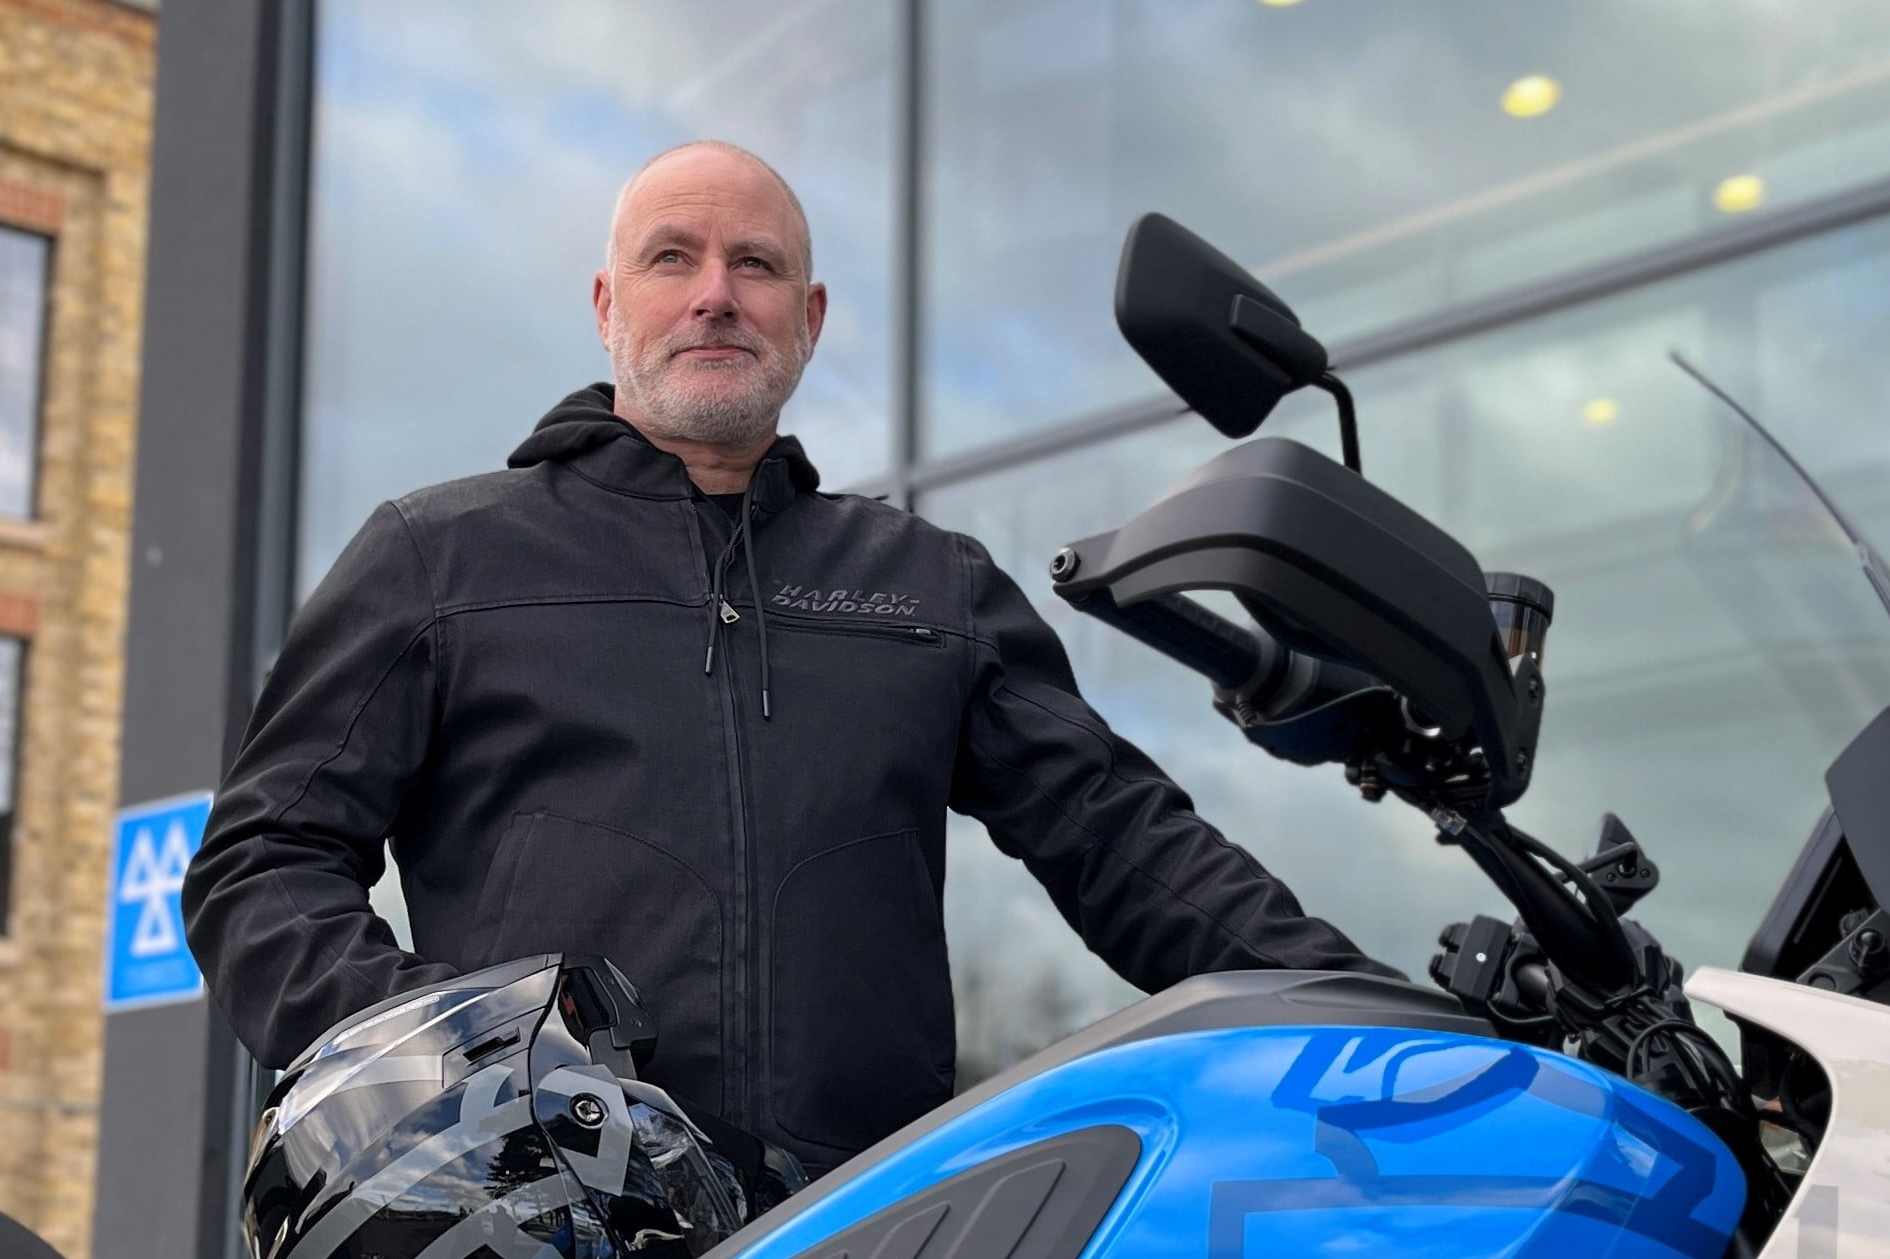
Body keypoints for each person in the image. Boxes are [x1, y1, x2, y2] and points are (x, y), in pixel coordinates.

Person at [183, 141, 1386, 1175]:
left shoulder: (927, 587)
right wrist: (461, 1069)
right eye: (672, 258)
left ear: (807, 321)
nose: (715, 295)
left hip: (857, 1258)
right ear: (607, 306)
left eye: (755, 265)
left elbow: (1127, 845)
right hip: (539, 1249)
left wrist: (1378, 1028)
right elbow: (261, 866)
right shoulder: (439, 558)